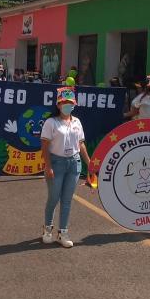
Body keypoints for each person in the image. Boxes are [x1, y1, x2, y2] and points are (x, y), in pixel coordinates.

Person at [40, 86, 91, 248]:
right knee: (54, 198)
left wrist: (89, 164)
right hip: (56, 163)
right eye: (64, 103)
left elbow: (81, 144)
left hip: (73, 163)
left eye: (70, 103)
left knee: (67, 200)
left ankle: (63, 232)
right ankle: (48, 228)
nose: (67, 106)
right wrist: (48, 166)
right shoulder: (51, 122)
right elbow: (44, 145)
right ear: (58, 104)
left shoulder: (77, 122)